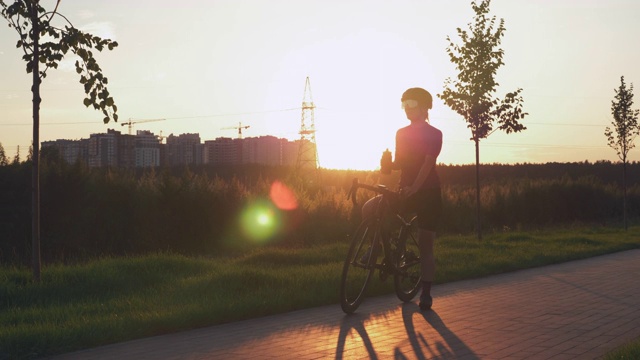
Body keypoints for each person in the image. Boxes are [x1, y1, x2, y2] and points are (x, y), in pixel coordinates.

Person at [381, 87, 443, 311]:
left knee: (426, 245)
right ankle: (380, 249)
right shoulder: (401, 133)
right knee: (372, 209)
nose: (407, 107)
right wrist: (387, 165)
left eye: (412, 103)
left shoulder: (434, 133)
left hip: (427, 193)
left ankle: (425, 293)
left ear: (425, 107)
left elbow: (427, 164)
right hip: (406, 189)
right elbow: (401, 163)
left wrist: (414, 188)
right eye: (404, 103)